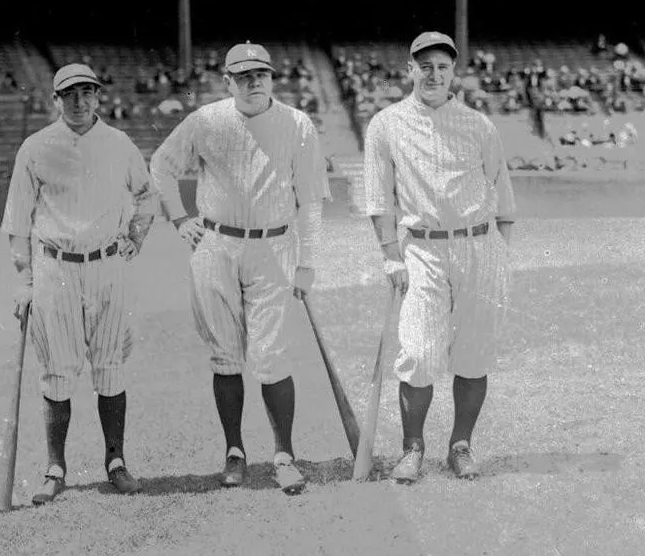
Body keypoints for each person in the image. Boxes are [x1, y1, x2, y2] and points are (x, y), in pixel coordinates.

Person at [150, 42, 330, 495]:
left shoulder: (298, 124)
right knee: (225, 355)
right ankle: (234, 452)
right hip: (215, 243)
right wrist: (178, 217)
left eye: (261, 75)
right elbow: (162, 165)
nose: (254, 83)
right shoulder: (206, 120)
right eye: (244, 76)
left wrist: (307, 263)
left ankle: (284, 454)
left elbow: (309, 202)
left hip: (274, 247)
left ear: (272, 78)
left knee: (270, 357)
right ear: (227, 81)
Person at [1, 63, 158, 505]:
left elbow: (147, 196)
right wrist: (22, 280)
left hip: (107, 265)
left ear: (98, 96)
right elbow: (18, 220)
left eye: (87, 92)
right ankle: (56, 467)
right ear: (56, 99)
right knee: (57, 372)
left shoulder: (119, 143)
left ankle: (116, 462)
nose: (80, 100)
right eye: (70, 93)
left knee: (109, 365)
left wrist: (136, 238)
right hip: (55, 269)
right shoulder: (35, 148)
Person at [363, 31, 516, 484]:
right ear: (410, 70)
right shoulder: (385, 124)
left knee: (474, 353)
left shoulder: (478, 125)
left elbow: (502, 196)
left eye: (442, 67)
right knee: (418, 352)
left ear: (453, 73)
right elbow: (378, 198)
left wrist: (499, 255)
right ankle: (413, 448)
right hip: (422, 249)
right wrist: (390, 256)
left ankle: (461, 446)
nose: (433, 74)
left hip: (479, 246)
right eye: (424, 66)